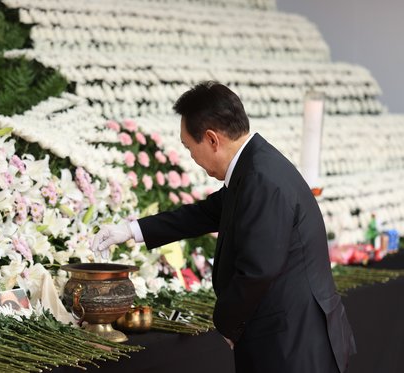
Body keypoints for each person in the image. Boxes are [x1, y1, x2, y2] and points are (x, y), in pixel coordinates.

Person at [92, 81, 356, 373]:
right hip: (288, 336)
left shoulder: (261, 177)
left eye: (190, 148)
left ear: (212, 140)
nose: (193, 159)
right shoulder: (254, 165)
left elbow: (258, 270)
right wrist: (131, 230)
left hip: (293, 346)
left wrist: (228, 324)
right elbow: (204, 213)